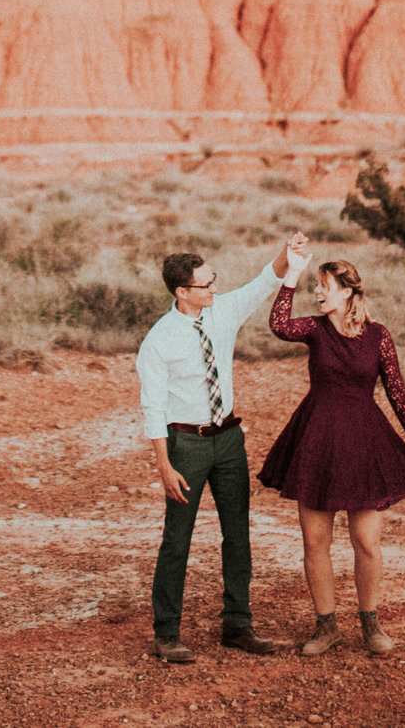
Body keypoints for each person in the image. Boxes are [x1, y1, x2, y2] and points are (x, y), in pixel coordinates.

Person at [135, 231, 309, 664]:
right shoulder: (159, 340)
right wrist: (164, 465)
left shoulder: (222, 310)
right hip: (186, 445)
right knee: (178, 539)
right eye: (205, 284)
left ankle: (237, 624)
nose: (214, 289)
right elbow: (152, 406)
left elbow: (266, 280)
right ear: (182, 292)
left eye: (214, 280)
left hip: (229, 439)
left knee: (238, 533)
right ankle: (167, 633)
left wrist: (288, 255)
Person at [257, 256, 405, 655]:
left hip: (362, 440)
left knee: (366, 542)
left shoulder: (377, 336)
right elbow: (279, 326)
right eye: (315, 286)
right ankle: (326, 626)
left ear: (348, 291)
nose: (317, 293)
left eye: (324, 286)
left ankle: (370, 623)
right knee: (314, 541)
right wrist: (293, 274)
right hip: (316, 438)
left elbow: (397, 391)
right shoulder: (315, 330)